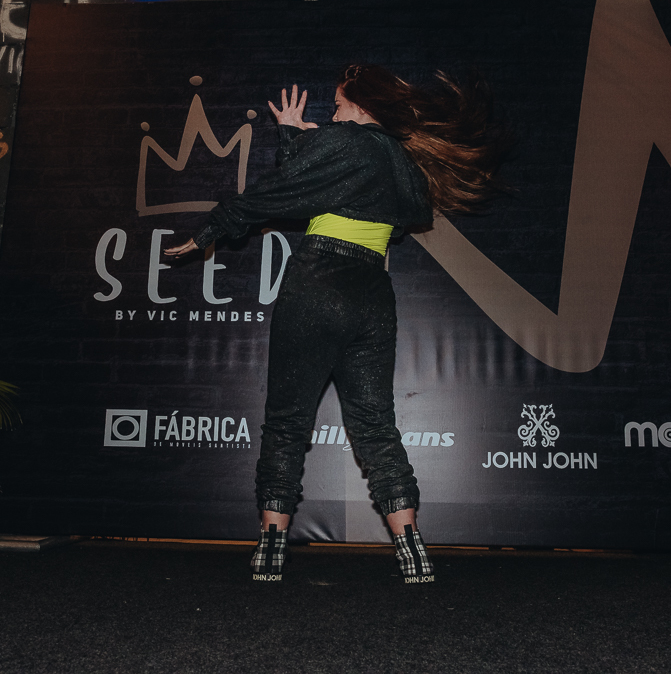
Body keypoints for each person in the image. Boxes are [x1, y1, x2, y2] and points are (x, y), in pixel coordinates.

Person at [165, 64, 503, 584]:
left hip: (318, 282)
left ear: (362, 107)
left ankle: (271, 547)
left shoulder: (344, 140)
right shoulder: (406, 164)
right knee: (375, 425)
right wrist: (299, 138)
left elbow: (284, 189)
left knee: (287, 422)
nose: (333, 113)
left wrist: (214, 226)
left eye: (340, 105)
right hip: (372, 294)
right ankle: (412, 547)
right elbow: (338, 192)